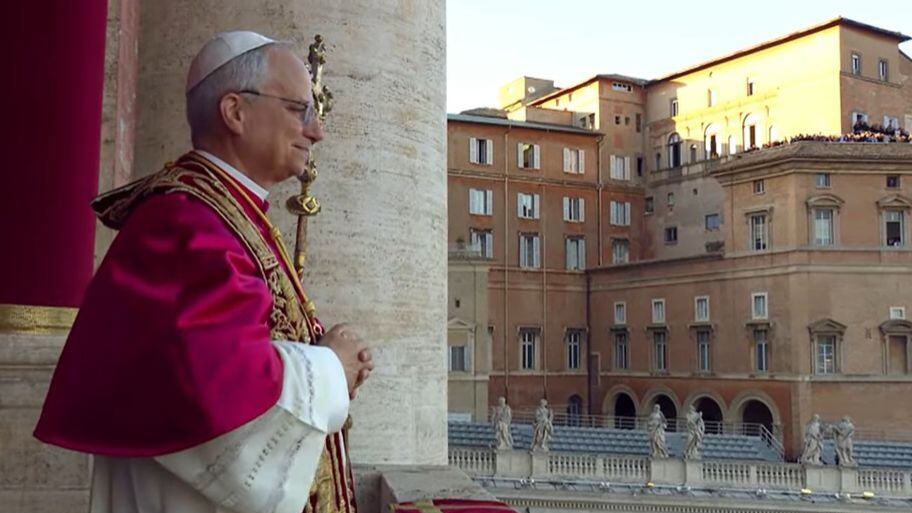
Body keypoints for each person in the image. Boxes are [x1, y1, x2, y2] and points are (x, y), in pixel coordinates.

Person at [33, 31, 373, 513]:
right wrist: (330, 369)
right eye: (300, 110)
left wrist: (323, 359)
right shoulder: (187, 225)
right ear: (235, 112)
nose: (316, 131)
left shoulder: (222, 209)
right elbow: (217, 396)